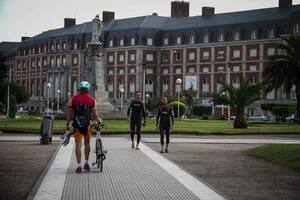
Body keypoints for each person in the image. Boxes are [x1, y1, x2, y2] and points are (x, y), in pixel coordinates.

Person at [64, 81, 102, 173]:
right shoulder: (91, 100)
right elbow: (95, 114)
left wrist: (67, 125)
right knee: (87, 143)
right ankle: (86, 163)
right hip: (87, 125)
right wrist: (98, 120)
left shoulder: (73, 99)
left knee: (78, 145)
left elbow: (69, 114)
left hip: (77, 125)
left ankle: (78, 166)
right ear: (88, 89)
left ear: (79, 89)